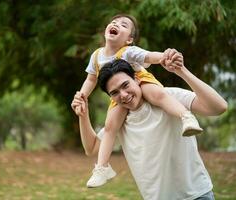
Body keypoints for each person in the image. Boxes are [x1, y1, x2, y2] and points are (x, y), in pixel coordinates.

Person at [71, 52, 227, 200]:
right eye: (115, 92)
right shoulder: (119, 122)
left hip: (197, 194)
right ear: (111, 97)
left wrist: (182, 72)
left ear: (137, 80)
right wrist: (83, 116)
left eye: (126, 85)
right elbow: (92, 149)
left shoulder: (169, 97)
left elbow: (218, 107)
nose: (123, 95)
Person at [73, 13, 202, 187]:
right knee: (110, 125)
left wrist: (165, 56)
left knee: (159, 95)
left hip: (140, 82)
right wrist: (82, 95)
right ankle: (102, 168)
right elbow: (91, 79)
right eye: (113, 22)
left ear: (129, 39)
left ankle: (186, 116)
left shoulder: (129, 51)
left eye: (124, 25)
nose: (116, 24)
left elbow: (150, 56)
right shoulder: (96, 56)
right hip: (118, 94)